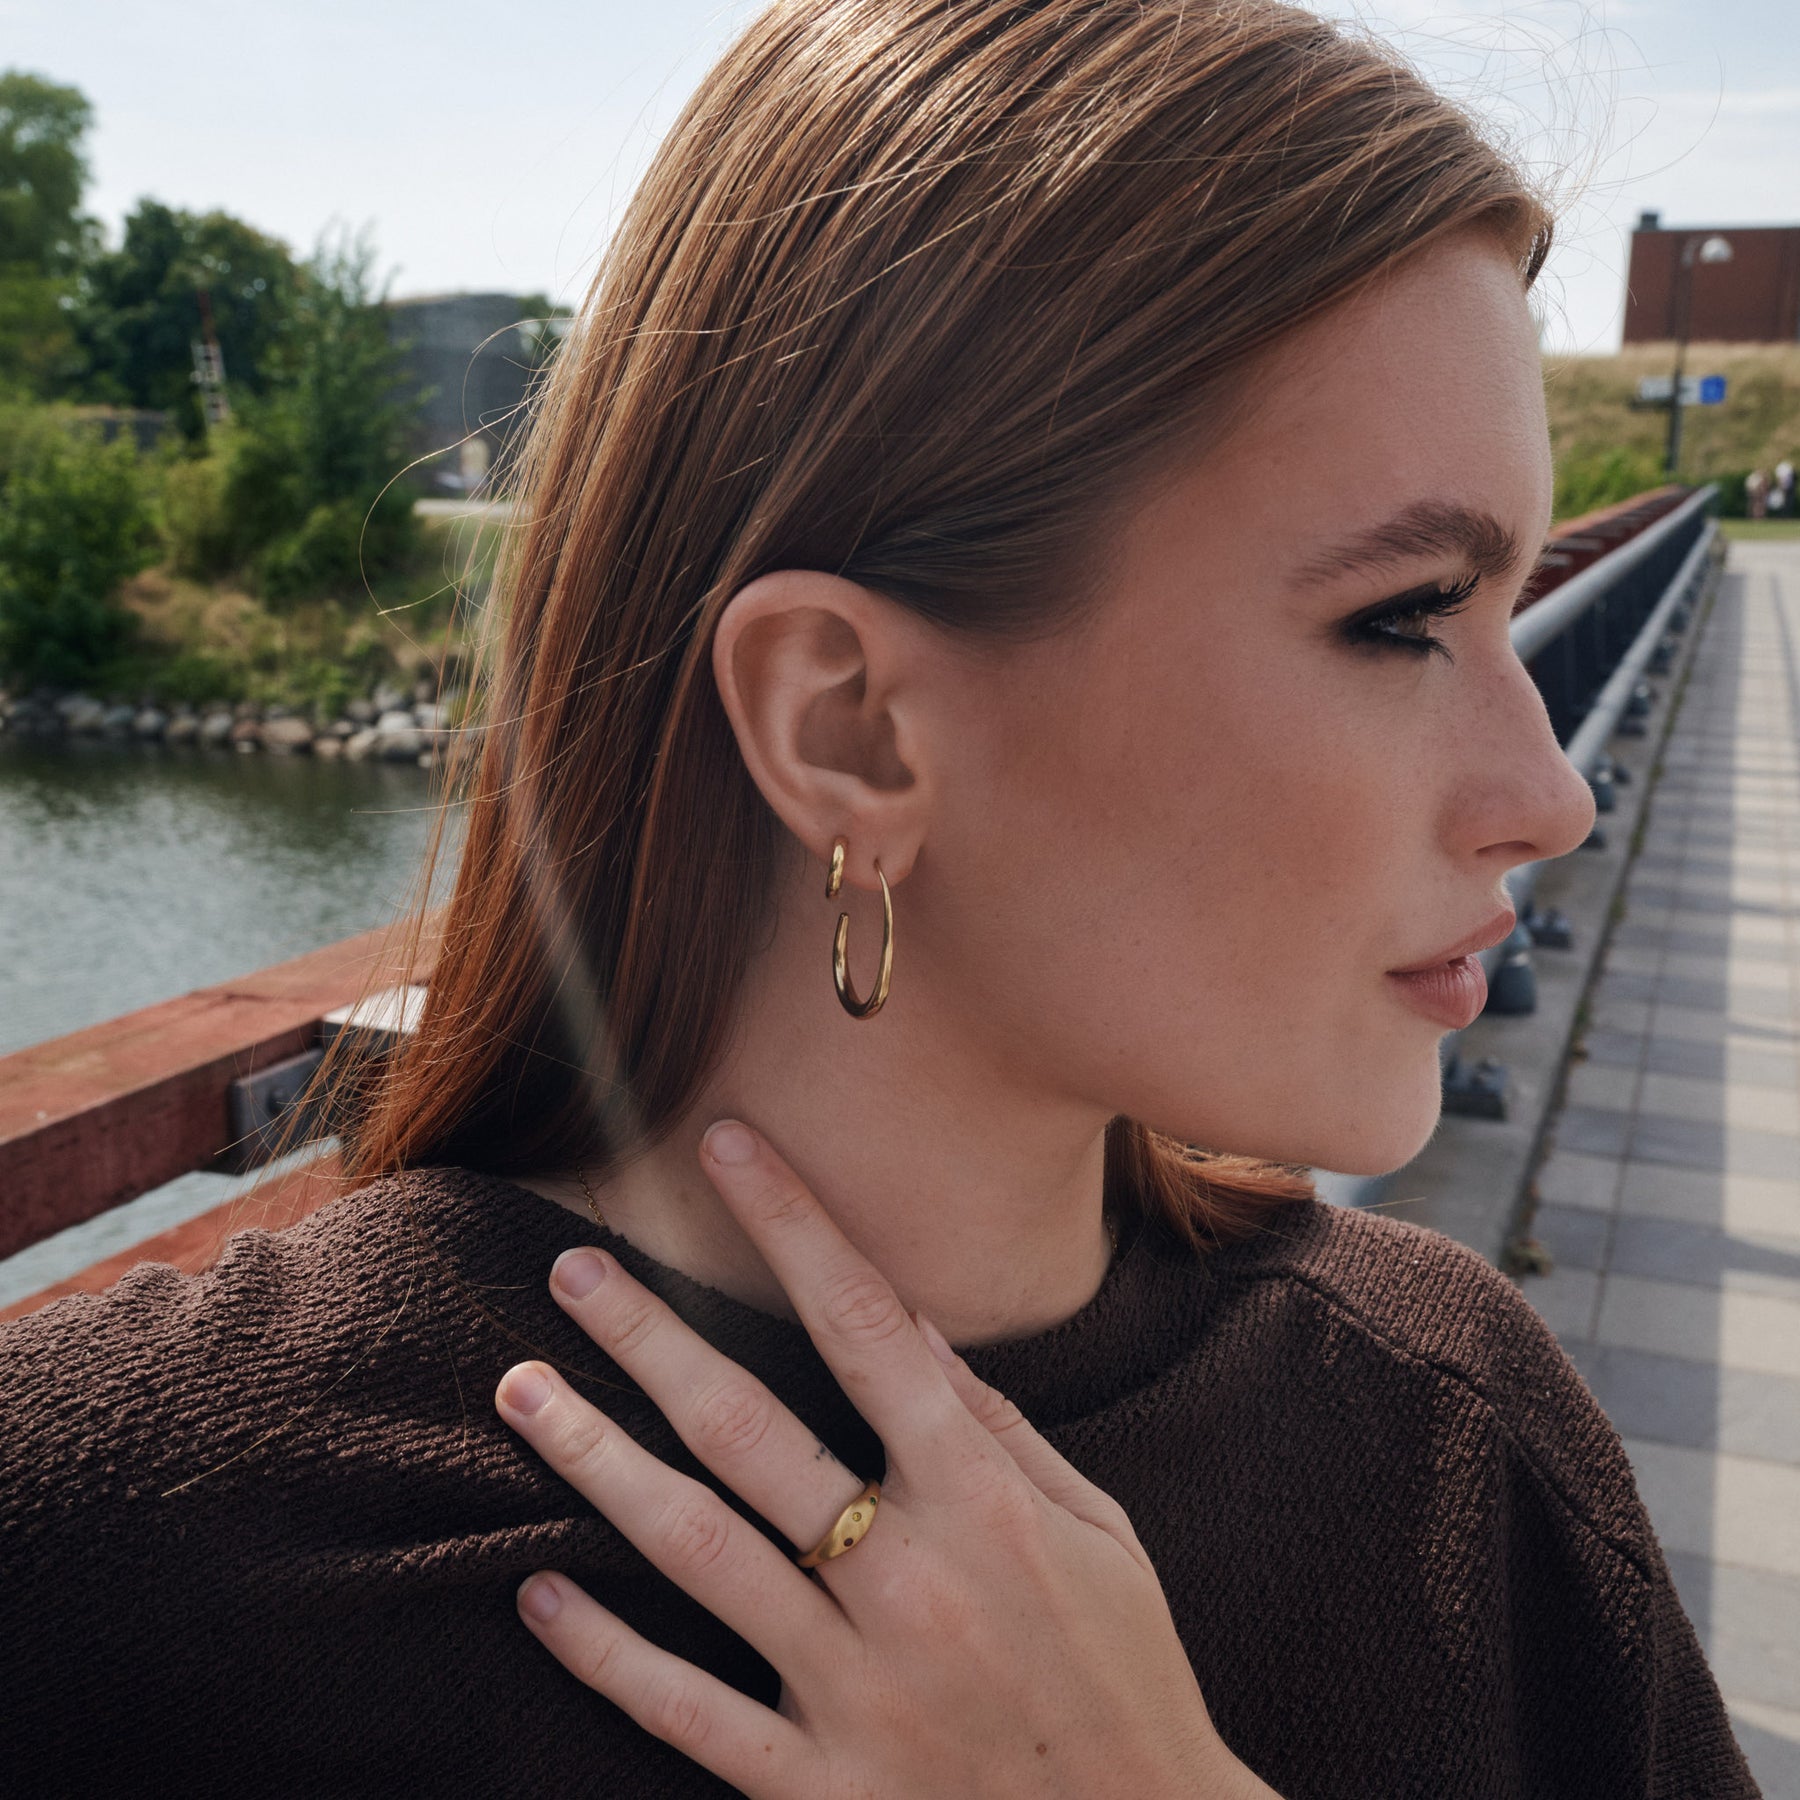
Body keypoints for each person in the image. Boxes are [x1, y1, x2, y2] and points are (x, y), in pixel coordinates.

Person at [0, 2, 1758, 1795]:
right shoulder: (92, 1555)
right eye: (1404, 618)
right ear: (845, 724)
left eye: (1507, 607)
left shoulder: (1464, 1447)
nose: (1551, 796)